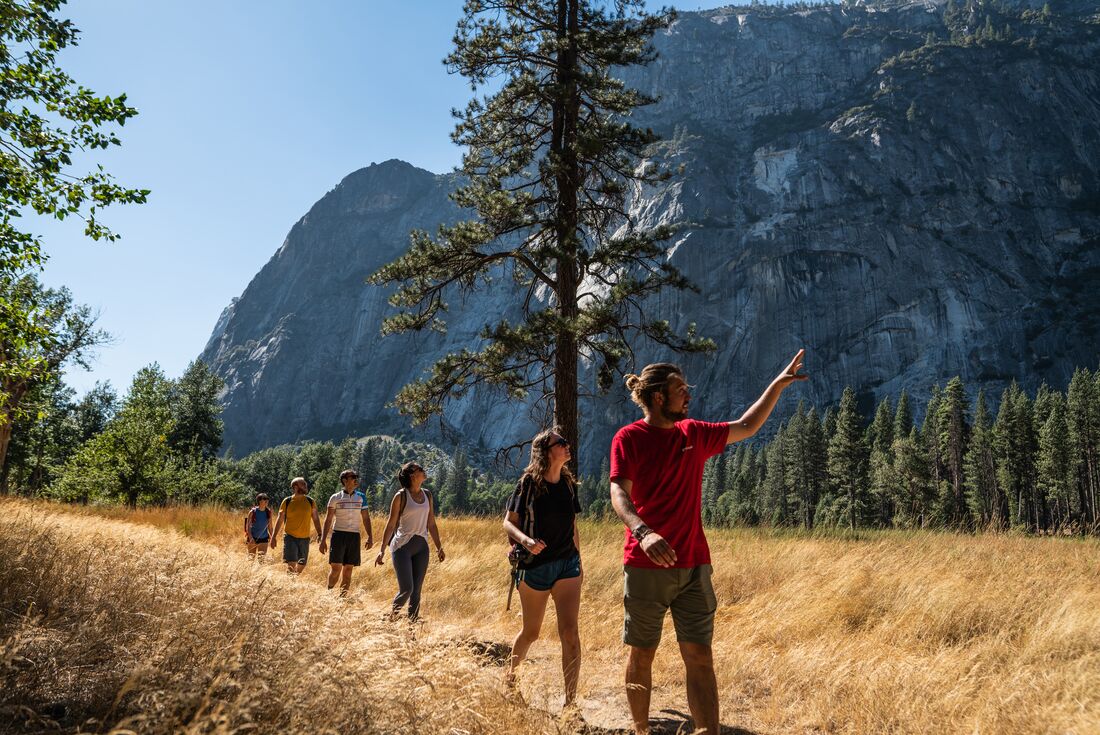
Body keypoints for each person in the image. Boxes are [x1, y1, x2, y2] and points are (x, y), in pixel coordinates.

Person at [609, 351, 807, 735]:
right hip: (646, 563)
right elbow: (618, 492)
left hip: (695, 564)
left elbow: (747, 426)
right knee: (642, 653)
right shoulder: (629, 438)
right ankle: (640, 730)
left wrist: (777, 385)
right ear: (658, 397)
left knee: (700, 655)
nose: (689, 396)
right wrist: (643, 531)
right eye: (680, 390)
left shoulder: (694, 434)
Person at [503, 427, 583, 710]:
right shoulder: (528, 484)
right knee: (531, 632)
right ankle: (510, 681)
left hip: (567, 565)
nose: (567, 444)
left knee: (570, 633)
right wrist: (525, 541)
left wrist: (579, 563)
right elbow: (508, 522)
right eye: (561, 442)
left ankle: (570, 704)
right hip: (534, 567)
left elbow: (573, 526)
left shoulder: (568, 484)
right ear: (547, 452)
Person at [374, 462, 445, 621]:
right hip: (402, 548)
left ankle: (411, 629)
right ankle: (390, 620)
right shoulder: (401, 496)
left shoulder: (428, 495)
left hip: (422, 548)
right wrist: (382, 550)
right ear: (413, 476)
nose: (424, 471)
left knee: (416, 592)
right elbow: (391, 524)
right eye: (421, 469)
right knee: (407, 589)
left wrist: (439, 547)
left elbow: (431, 523)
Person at [319, 469, 373, 596]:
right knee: (336, 568)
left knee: (348, 569)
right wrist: (322, 541)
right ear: (345, 480)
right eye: (353, 477)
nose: (356, 480)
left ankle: (342, 599)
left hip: (354, 536)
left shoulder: (361, 497)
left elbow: (366, 518)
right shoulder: (335, 497)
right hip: (338, 535)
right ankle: (329, 594)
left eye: (356, 477)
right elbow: (328, 519)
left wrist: (370, 537)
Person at [270, 477, 323, 574]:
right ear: (295, 486)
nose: (305, 486)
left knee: (302, 564)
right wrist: (273, 537)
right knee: (292, 563)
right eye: (303, 484)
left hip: (305, 538)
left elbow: (315, 518)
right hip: (290, 537)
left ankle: (294, 578)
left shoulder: (310, 501)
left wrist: (320, 533)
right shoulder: (287, 501)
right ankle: (290, 583)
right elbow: (280, 519)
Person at [244, 493, 273, 561]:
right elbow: (248, 526)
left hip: (264, 538)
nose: (266, 501)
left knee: (261, 560)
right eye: (264, 499)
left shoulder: (268, 512)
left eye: (267, 499)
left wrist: (273, 537)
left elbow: (270, 527)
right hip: (253, 537)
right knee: (251, 559)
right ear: (259, 501)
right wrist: (251, 538)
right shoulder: (252, 512)